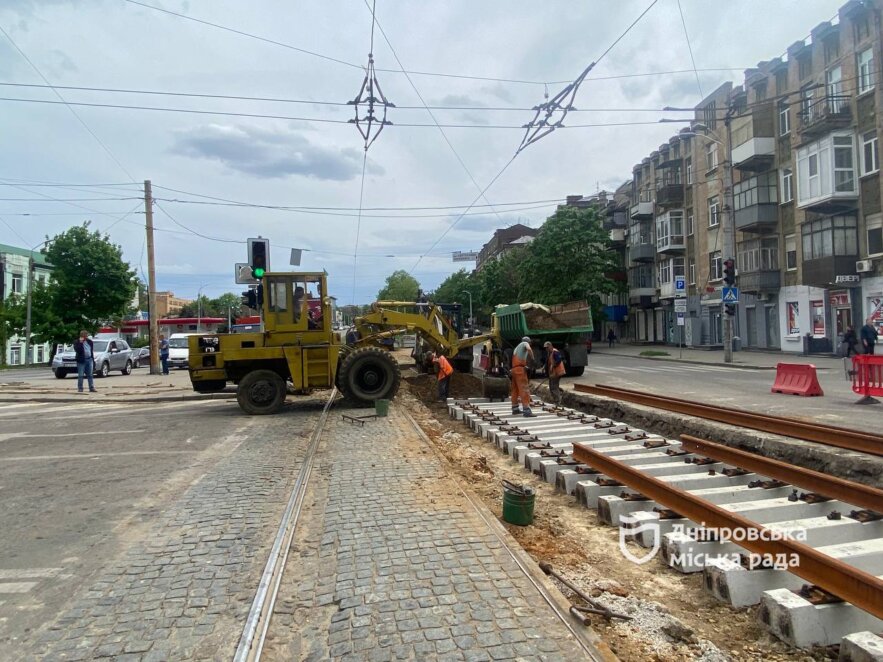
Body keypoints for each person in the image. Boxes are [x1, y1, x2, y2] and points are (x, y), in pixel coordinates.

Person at [510, 336, 536, 417]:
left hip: (514, 370)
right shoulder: (525, 343)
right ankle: (527, 411)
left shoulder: (516, 348)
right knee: (524, 389)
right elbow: (528, 348)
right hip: (520, 371)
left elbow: (518, 361)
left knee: (515, 390)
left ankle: (515, 409)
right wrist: (533, 358)